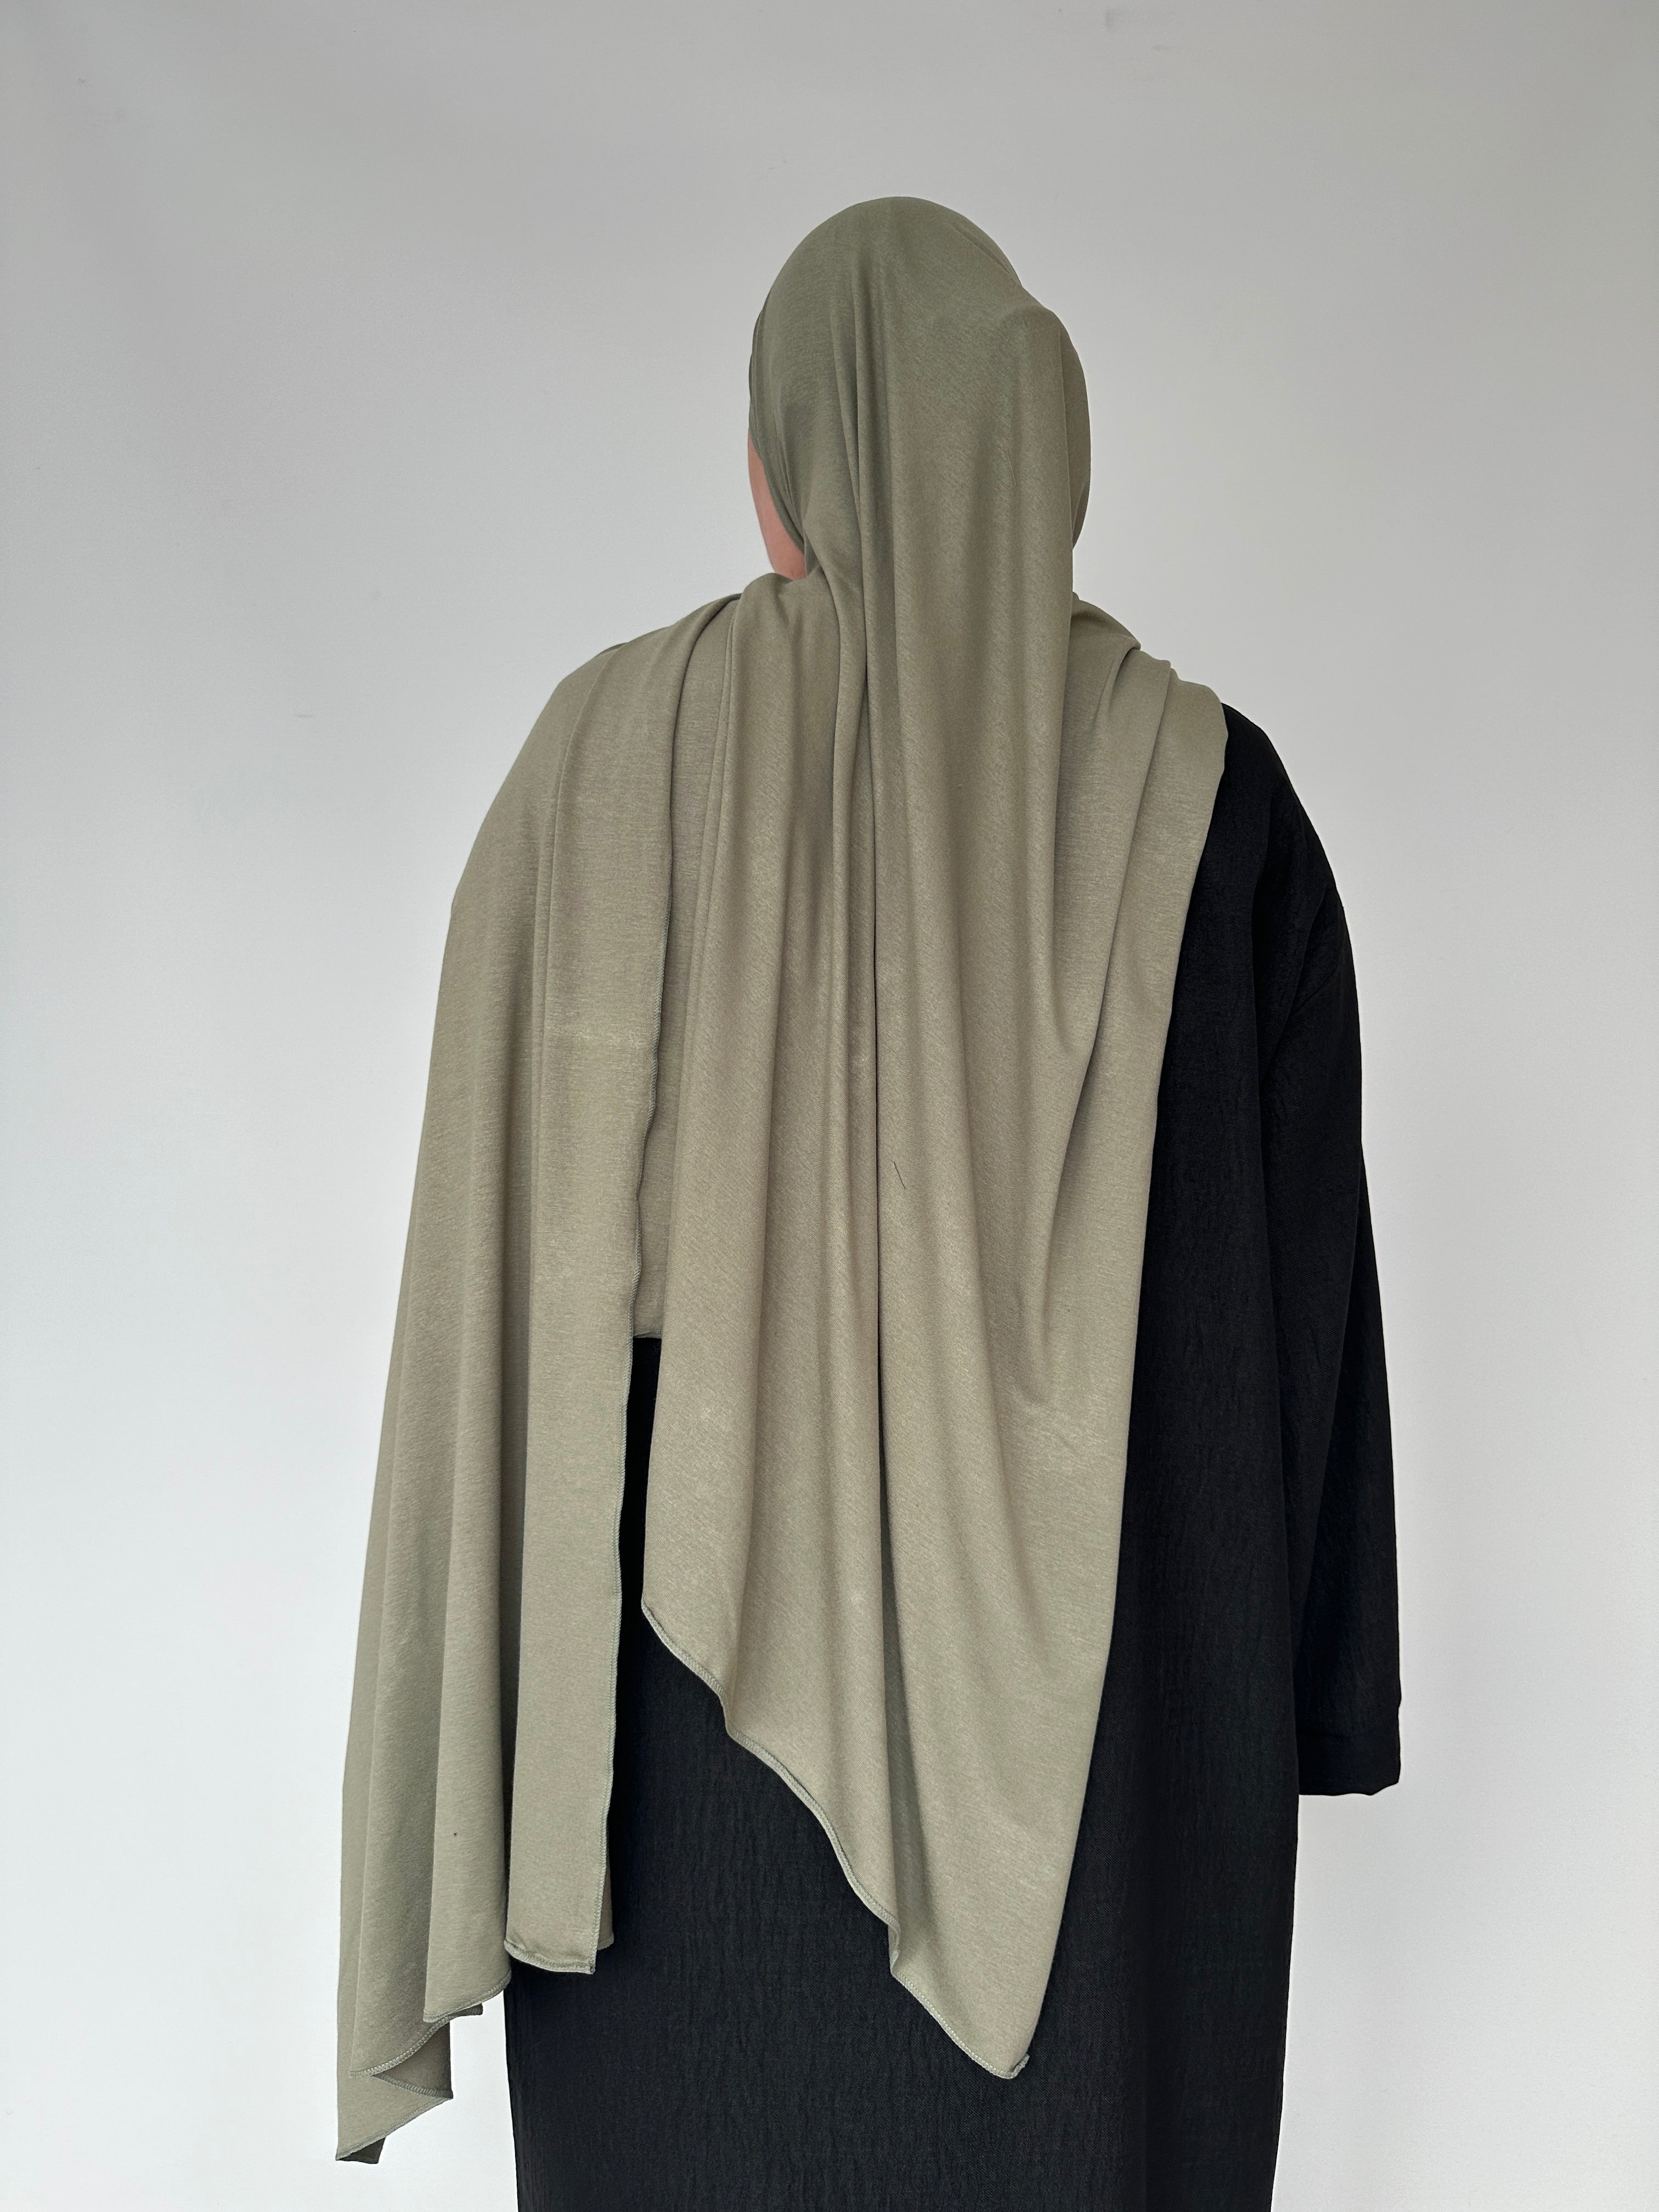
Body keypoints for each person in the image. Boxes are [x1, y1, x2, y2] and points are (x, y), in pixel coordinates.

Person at [337, 198, 1400, 2211]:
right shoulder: (1215, 801)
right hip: (1111, 1765)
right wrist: (1314, 1692)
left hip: (677, 1797)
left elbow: (492, 1298)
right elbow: (1308, 1322)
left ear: (789, 467)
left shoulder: (602, 768)